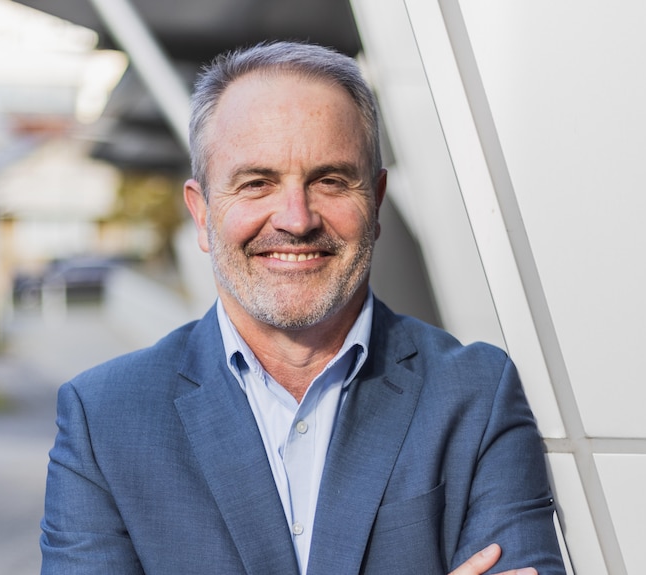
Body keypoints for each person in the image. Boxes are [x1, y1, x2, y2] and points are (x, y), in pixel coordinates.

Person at [40, 41, 565, 575]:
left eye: (331, 181)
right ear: (201, 214)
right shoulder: (104, 418)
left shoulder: (475, 394)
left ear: (377, 201)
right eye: (257, 183)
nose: (296, 218)